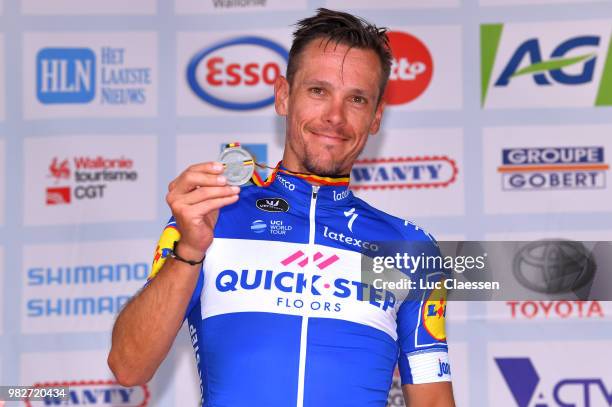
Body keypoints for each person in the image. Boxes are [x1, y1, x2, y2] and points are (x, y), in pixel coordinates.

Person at [108, 8, 455, 407]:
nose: (335, 117)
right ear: (283, 96)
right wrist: (189, 251)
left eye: (356, 99)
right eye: (318, 91)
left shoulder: (409, 247)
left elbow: (432, 400)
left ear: (376, 117)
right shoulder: (214, 214)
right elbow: (128, 366)